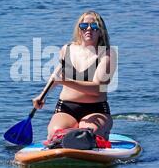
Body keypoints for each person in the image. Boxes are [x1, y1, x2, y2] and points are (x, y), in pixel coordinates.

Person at [32, 10, 117, 141]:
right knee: (55, 134)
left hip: (96, 109)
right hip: (66, 107)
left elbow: (97, 88)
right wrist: (43, 94)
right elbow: (57, 74)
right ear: (79, 30)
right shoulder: (67, 49)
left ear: (100, 31)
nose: (88, 29)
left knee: (86, 134)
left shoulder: (107, 54)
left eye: (94, 26)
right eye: (84, 26)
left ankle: (100, 134)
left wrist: (65, 81)